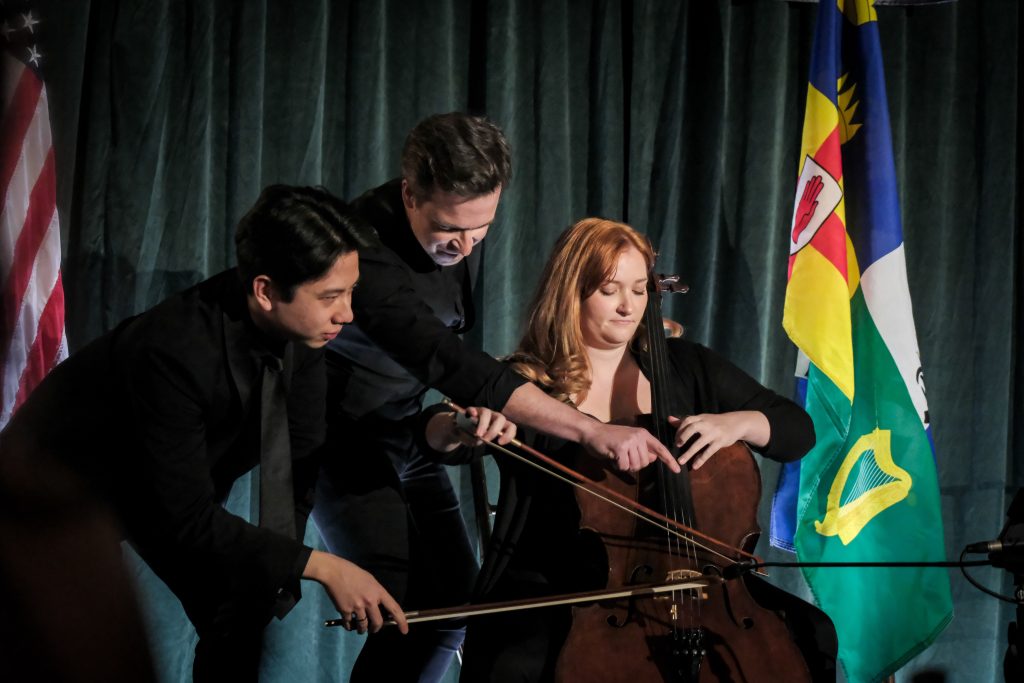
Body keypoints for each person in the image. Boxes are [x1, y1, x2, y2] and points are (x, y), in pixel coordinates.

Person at [312, 113, 678, 682]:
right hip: (344, 444)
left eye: (481, 230)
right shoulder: (365, 252)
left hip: (411, 435)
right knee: (405, 611)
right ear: (410, 194)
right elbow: (447, 360)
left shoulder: (460, 223)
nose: (464, 245)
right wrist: (588, 428)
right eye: (449, 230)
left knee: (459, 605)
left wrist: (462, 420)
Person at [0, 185, 410, 682]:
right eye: (331, 297)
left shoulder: (307, 331)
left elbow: (300, 461)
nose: (346, 313)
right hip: (55, 497)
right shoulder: (172, 351)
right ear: (264, 290)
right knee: (76, 652)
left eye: (350, 292)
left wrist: (282, 566)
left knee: (242, 605)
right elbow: (184, 516)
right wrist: (321, 566)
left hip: (157, 489)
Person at [423, 217, 837, 682]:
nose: (627, 306)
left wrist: (737, 422)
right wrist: (462, 426)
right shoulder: (528, 381)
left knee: (810, 631)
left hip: (696, 581)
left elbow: (796, 431)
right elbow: (436, 435)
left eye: (640, 290)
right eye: (610, 290)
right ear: (571, 292)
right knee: (517, 665)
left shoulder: (686, 367)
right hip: (559, 582)